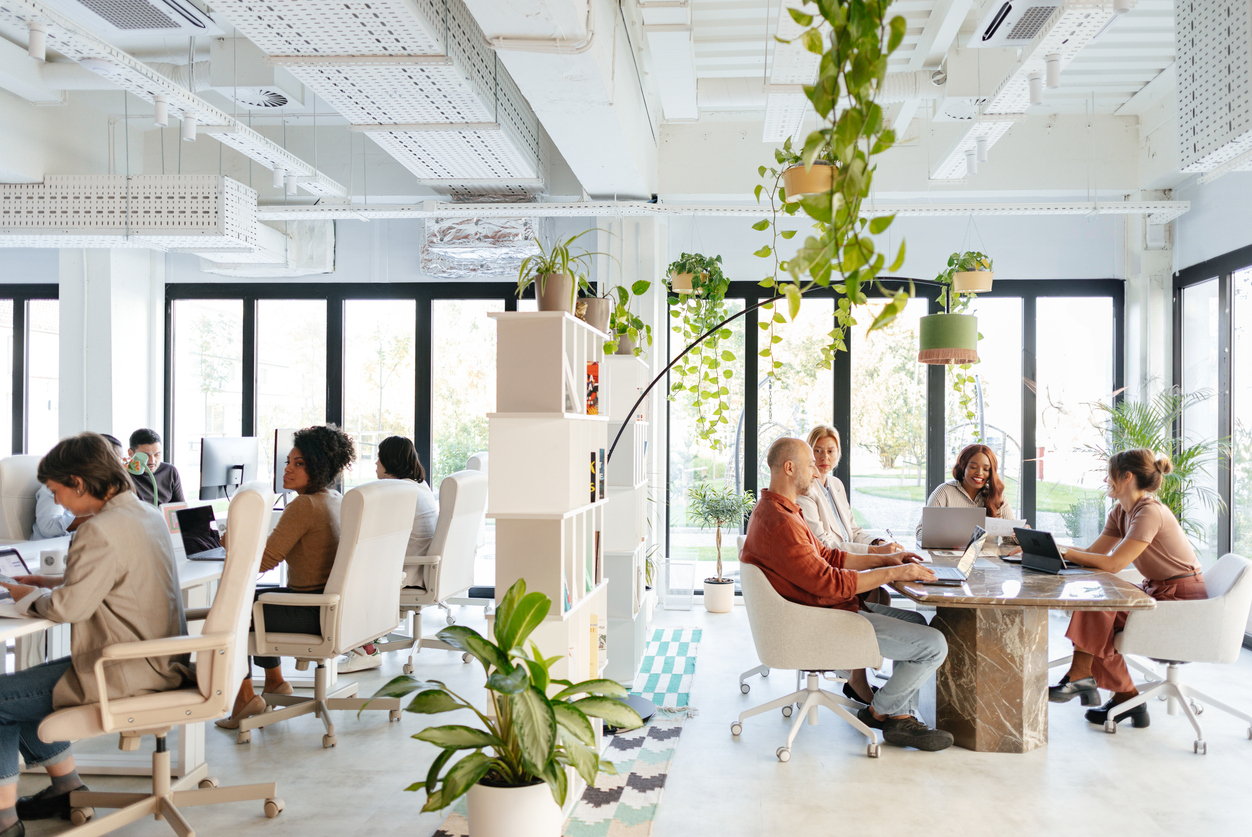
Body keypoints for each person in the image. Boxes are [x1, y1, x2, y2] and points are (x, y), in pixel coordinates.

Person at [0, 433, 188, 832]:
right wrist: (49, 581)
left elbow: (71, 608)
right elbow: (110, 580)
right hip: (155, 661)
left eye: (56, 492)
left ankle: (4, 819)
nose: (59, 503)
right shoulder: (146, 514)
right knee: (25, 690)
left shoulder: (98, 529)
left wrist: (25, 594)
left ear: (79, 483)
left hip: (121, 672)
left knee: (2, 698)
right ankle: (65, 787)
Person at [740, 437, 954, 751]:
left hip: (827, 610)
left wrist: (885, 559)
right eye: (810, 463)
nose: (815, 472)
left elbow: (830, 556)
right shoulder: (780, 523)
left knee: (921, 627)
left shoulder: (782, 510)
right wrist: (896, 573)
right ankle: (882, 712)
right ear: (789, 468)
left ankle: (899, 718)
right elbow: (831, 582)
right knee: (934, 645)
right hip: (821, 621)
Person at [1046, 450, 1206, 728]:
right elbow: (1095, 556)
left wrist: (1065, 551)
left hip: (1182, 601)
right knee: (1096, 604)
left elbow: (1114, 564)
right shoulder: (1121, 512)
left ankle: (1103, 685)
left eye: (1109, 474)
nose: (1106, 480)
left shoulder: (1150, 512)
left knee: (1100, 604)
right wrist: (1051, 550)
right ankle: (1122, 695)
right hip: (1157, 593)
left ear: (1126, 477)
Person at [216, 425, 355, 729]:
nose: (288, 470)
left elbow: (262, 561)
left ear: (318, 467)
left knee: (236, 607)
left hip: (310, 611)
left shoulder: (304, 505)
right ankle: (275, 683)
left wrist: (230, 538)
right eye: (288, 462)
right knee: (258, 597)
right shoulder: (332, 498)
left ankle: (244, 698)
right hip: (327, 607)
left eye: (299, 464)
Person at [794, 425, 920, 703]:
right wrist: (877, 555)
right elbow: (826, 545)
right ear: (808, 452)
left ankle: (857, 668)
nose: (824, 457)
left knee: (882, 594)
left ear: (838, 453)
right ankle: (856, 669)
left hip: (847, 559)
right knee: (874, 593)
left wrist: (877, 544)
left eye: (830, 451)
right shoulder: (805, 489)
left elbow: (851, 529)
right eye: (817, 450)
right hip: (830, 569)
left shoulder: (835, 485)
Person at [338, 436, 440, 673]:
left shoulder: (399, 491)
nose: (375, 464)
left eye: (379, 458)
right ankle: (369, 638)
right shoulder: (418, 486)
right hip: (418, 566)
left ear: (390, 461)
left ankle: (365, 650)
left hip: (409, 570)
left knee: (347, 577)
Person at [916, 443, 1019, 545]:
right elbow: (920, 535)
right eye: (973, 467)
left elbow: (1010, 539)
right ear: (963, 467)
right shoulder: (944, 492)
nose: (979, 473)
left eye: (986, 469)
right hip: (950, 559)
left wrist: (1022, 533)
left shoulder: (998, 498)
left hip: (988, 559)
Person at [31, 435, 125, 540]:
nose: (118, 466)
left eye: (119, 461)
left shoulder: (111, 489)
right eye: (114, 460)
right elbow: (48, 528)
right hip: (50, 548)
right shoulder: (57, 485)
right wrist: (97, 514)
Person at [126, 429, 184, 506]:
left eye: (157, 454)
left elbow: (180, 507)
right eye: (146, 455)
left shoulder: (169, 471)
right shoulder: (125, 475)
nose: (152, 461)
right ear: (131, 453)